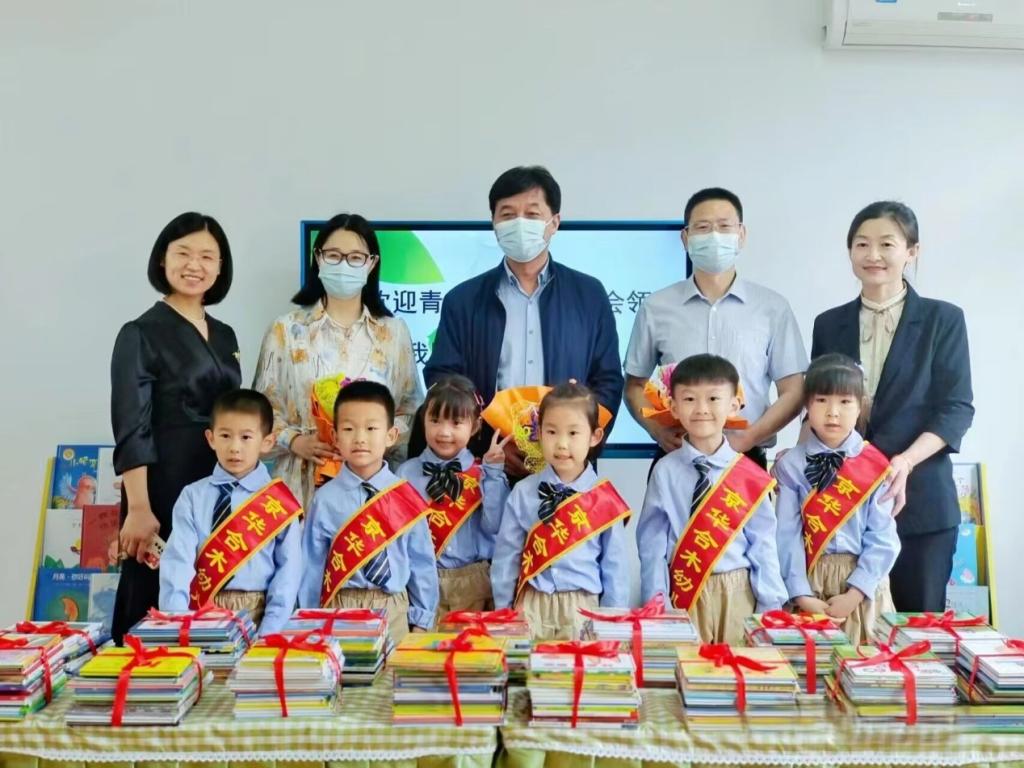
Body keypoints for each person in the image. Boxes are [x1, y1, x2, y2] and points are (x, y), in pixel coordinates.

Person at [811, 201, 974, 612]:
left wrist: (905, 460)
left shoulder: (943, 320)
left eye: (887, 244)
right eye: (862, 244)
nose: (873, 255)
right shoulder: (828, 324)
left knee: (917, 628)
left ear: (912, 251)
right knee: (847, 630)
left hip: (920, 504)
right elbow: (819, 405)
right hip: (843, 510)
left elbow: (956, 408)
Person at [423, 166, 623, 478]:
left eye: (532, 214)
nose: (519, 223)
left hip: (566, 469)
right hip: (485, 465)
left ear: (554, 222)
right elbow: (443, 378)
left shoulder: (589, 295)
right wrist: (487, 444)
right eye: (507, 214)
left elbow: (607, 381)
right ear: (494, 223)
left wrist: (570, 445)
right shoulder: (462, 300)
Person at [110, 212, 241, 643]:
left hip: (220, 480)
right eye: (183, 253)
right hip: (162, 482)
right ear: (162, 260)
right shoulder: (140, 332)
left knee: (214, 586)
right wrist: (138, 506)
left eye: (207, 256)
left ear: (220, 267)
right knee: (155, 589)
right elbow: (132, 424)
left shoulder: (225, 335)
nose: (194, 265)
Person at [623, 187, 806, 469]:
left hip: (745, 460)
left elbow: (793, 390)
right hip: (677, 458)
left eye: (724, 227)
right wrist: (657, 430)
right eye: (703, 228)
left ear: (741, 235)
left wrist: (750, 437)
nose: (714, 236)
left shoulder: (772, 307)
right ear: (685, 238)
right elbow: (634, 385)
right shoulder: (656, 307)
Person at [253, 213, 422, 508]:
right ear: (318, 258)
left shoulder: (394, 333)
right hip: (300, 487)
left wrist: (370, 439)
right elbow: (260, 411)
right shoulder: (285, 330)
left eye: (355, 257)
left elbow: (411, 410)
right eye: (333, 255)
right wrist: (295, 441)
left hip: (372, 489)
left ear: (371, 264)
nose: (344, 265)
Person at [637, 354, 786, 644]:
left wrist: (770, 605)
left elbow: (763, 543)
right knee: (684, 666)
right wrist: (657, 603)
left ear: (734, 405)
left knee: (737, 665)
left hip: (738, 592)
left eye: (714, 399)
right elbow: (652, 544)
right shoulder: (664, 472)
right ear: (673, 406)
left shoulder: (749, 474)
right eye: (689, 399)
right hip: (683, 591)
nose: (702, 409)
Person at [298, 381, 438, 643]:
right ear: (335, 437)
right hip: (340, 607)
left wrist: (422, 620)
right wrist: (311, 620)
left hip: (393, 606)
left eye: (371, 428)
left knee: (394, 670)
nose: (360, 438)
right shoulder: (324, 499)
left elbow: (421, 562)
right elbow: (312, 565)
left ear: (391, 436)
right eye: (349, 429)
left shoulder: (404, 495)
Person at [774, 355, 899, 643]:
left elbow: (883, 537)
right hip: (810, 583)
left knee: (866, 662)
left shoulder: (876, 465)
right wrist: (801, 594)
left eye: (844, 402)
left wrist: (856, 593)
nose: (833, 412)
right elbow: (786, 535)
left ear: (860, 406)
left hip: (864, 587)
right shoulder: (790, 465)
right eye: (821, 400)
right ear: (807, 405)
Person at [491, 382, 630, 640]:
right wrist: (503, 610)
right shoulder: (523, 492)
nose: (562, 444)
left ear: (595, 436)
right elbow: (506, 557)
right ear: (538, 433)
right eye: (552, 432)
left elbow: (615, 569)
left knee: (582, 666)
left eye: (573, 433)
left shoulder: (605, 498)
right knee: (526, 666)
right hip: (531, 605)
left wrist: (613, 625)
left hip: (583, 608)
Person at [159, 389, 302, 636]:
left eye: (246, 437)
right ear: (211, 438)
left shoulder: (279, 501)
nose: (235, 447)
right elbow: (178, 562)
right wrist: (177, 623)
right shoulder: (192, 496)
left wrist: (270, 632)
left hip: (259, 614)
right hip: (200, 612)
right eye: (225, 436)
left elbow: (288, 573)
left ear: (267, 442)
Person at [397, 375, 511, 617]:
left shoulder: (483, 473)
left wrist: (493, 474)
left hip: (475, 582)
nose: (444, 432)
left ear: (475, 426)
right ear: (423, 420)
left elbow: (495, 526)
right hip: (421, 582)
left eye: (456, 423)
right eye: (435, 420)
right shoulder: (406, 473)